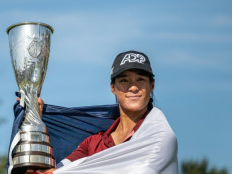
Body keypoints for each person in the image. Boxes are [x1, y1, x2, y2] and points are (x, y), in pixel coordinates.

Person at [10, 50, 178, 174]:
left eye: (140, 80)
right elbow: (58, 172)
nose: (133, 87)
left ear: (152, 85)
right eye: (124, 80)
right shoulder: (92, 143)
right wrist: (36, 123)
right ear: (113, 87)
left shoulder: (160, 136)